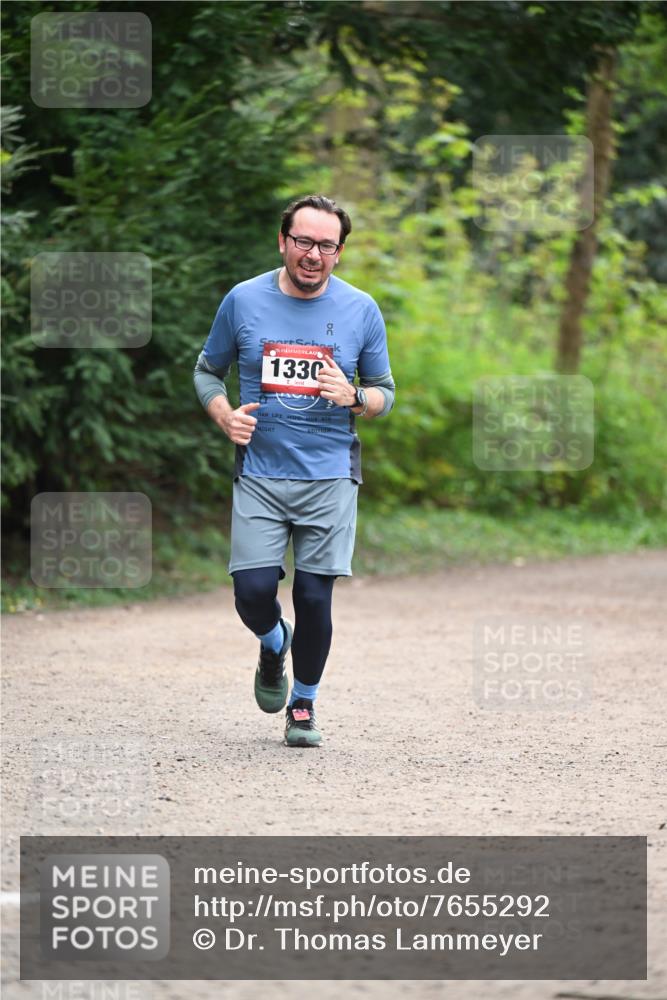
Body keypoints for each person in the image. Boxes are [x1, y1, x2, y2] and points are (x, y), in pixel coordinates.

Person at [193, 194, 394, 747]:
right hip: (261, 470)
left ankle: (303, 705)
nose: (313, 254)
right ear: (283, 241)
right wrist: (223, 414)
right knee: (252, 591)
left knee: (313, 596)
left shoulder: (361, 309)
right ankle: (273, 641)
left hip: (330, 474)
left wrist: (356, 397)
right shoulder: (243, 300)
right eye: (303, 241)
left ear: (339, 252)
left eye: (326, 245)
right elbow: (207, 371)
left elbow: (385, 392)